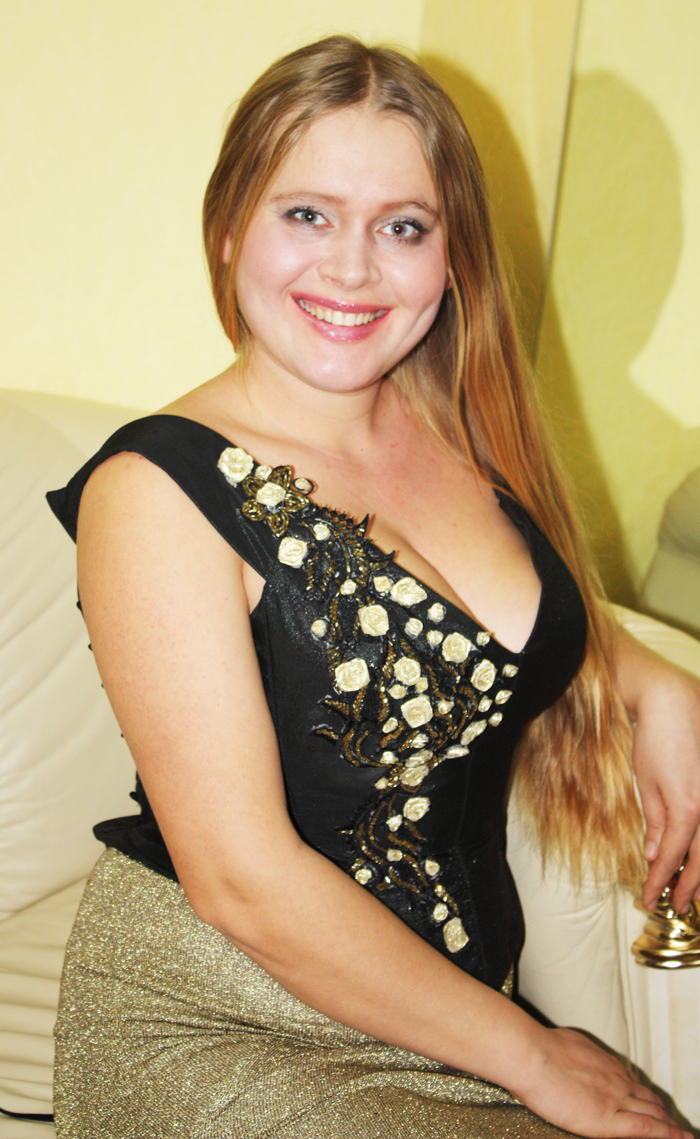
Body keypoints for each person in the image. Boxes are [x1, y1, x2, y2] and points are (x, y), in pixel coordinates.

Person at [47, 35, 700, 1139]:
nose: (352, 269)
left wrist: (657, 681)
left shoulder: (456, 432)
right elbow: (241, 878)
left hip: (448, 1015)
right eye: (308, 214)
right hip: (223, 1014)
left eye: (403, 227)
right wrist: (538, 1057)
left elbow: (491, 635)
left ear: (451, 257)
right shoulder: (155, 487)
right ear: (229, 228)